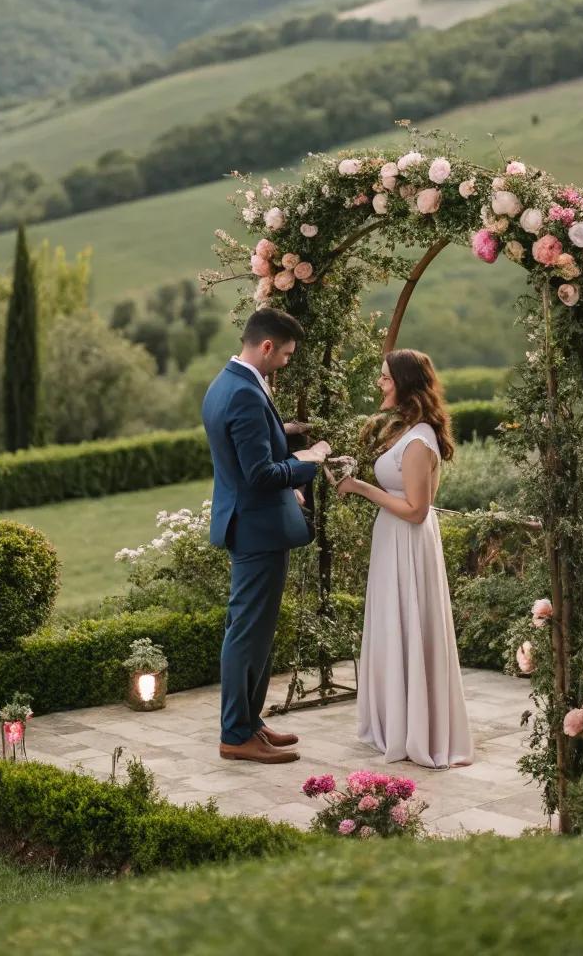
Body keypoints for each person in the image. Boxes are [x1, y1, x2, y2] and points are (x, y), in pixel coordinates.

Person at [333, 348, 473, 767]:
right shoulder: (407, 430)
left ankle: (413, 729)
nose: (380, 383)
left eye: (386, 378)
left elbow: (416, 510)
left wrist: (358, 488)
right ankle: (393, 720)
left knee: (407, 620)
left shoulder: (419, 440)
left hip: (407, 542)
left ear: (406, 384)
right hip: (393, 540)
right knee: (393, 622)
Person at [202, 308, 331, 764]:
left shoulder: (226, 383)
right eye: (287, 355)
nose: (287, 363)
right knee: (246, 634)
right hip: (256, 529)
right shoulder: (243, 394)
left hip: (253, 524)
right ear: (267, 347)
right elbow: (258, 475)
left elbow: (248, 450)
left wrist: (286, 434)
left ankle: (251, 722)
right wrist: (310, 459)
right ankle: (236, 734)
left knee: (255, 633)